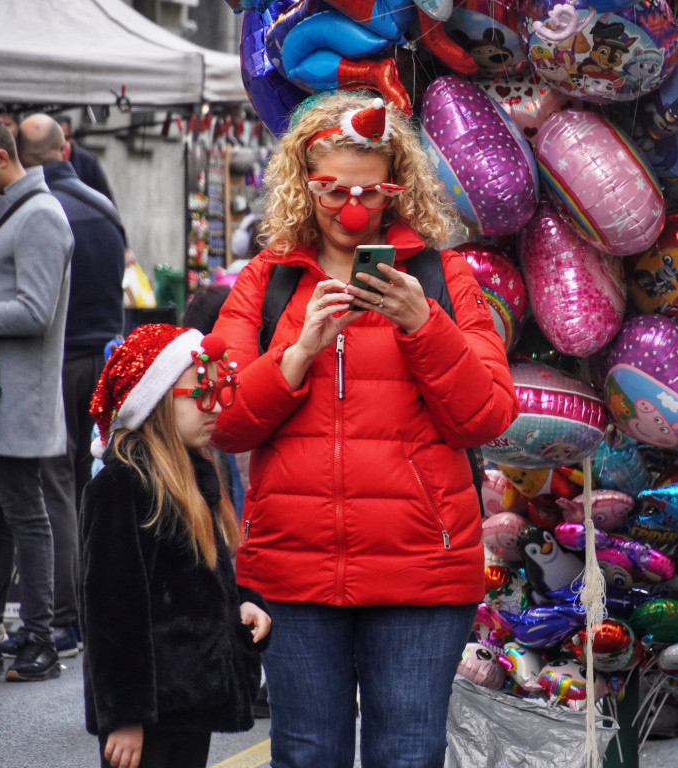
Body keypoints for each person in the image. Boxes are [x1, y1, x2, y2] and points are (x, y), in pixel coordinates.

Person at [210, 94, 517, 768]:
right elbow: (224, 421)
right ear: (303, 182)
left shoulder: (441, 276)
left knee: (407, 754)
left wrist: (423, 327)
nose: (352, 206)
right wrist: (297, 353)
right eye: (332, 190)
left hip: (421, 568)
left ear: (395, 190)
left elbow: (490, 415)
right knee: (305, 753)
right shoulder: (267, 283)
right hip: (295, 567)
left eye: (369, 190)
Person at [81, 324, 271, 768]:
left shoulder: (195, 473)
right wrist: (124, 716)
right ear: (158, 399)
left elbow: (197, 581)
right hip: (147, 710)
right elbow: (110, 612)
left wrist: (242, 604)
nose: (215, 408)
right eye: (201, 392)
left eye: (220, 390)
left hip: (192, 701)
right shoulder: (121, 486)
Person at [10, 113, 126, 659]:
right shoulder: (101, 204)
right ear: (66, 148)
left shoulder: (40, 213)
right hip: (102, 358)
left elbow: (36, 307)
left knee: (52, 489)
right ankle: (77, 610)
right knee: (81, 484)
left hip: (56, 364)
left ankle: (62, 621)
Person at [0, 120, 74, 682]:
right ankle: (25, 632)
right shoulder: (21, 211)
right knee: (11, 515)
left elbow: (35, 310)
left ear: (3, 159)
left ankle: (41, 638)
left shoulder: (41, 215)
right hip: (9, 394)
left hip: (21, 397)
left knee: (27, 514)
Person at [58, 116, 115, 204]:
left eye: (64, 139)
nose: (60, 148)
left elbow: (106, 199)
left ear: (71, 137)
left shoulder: (88, 162)